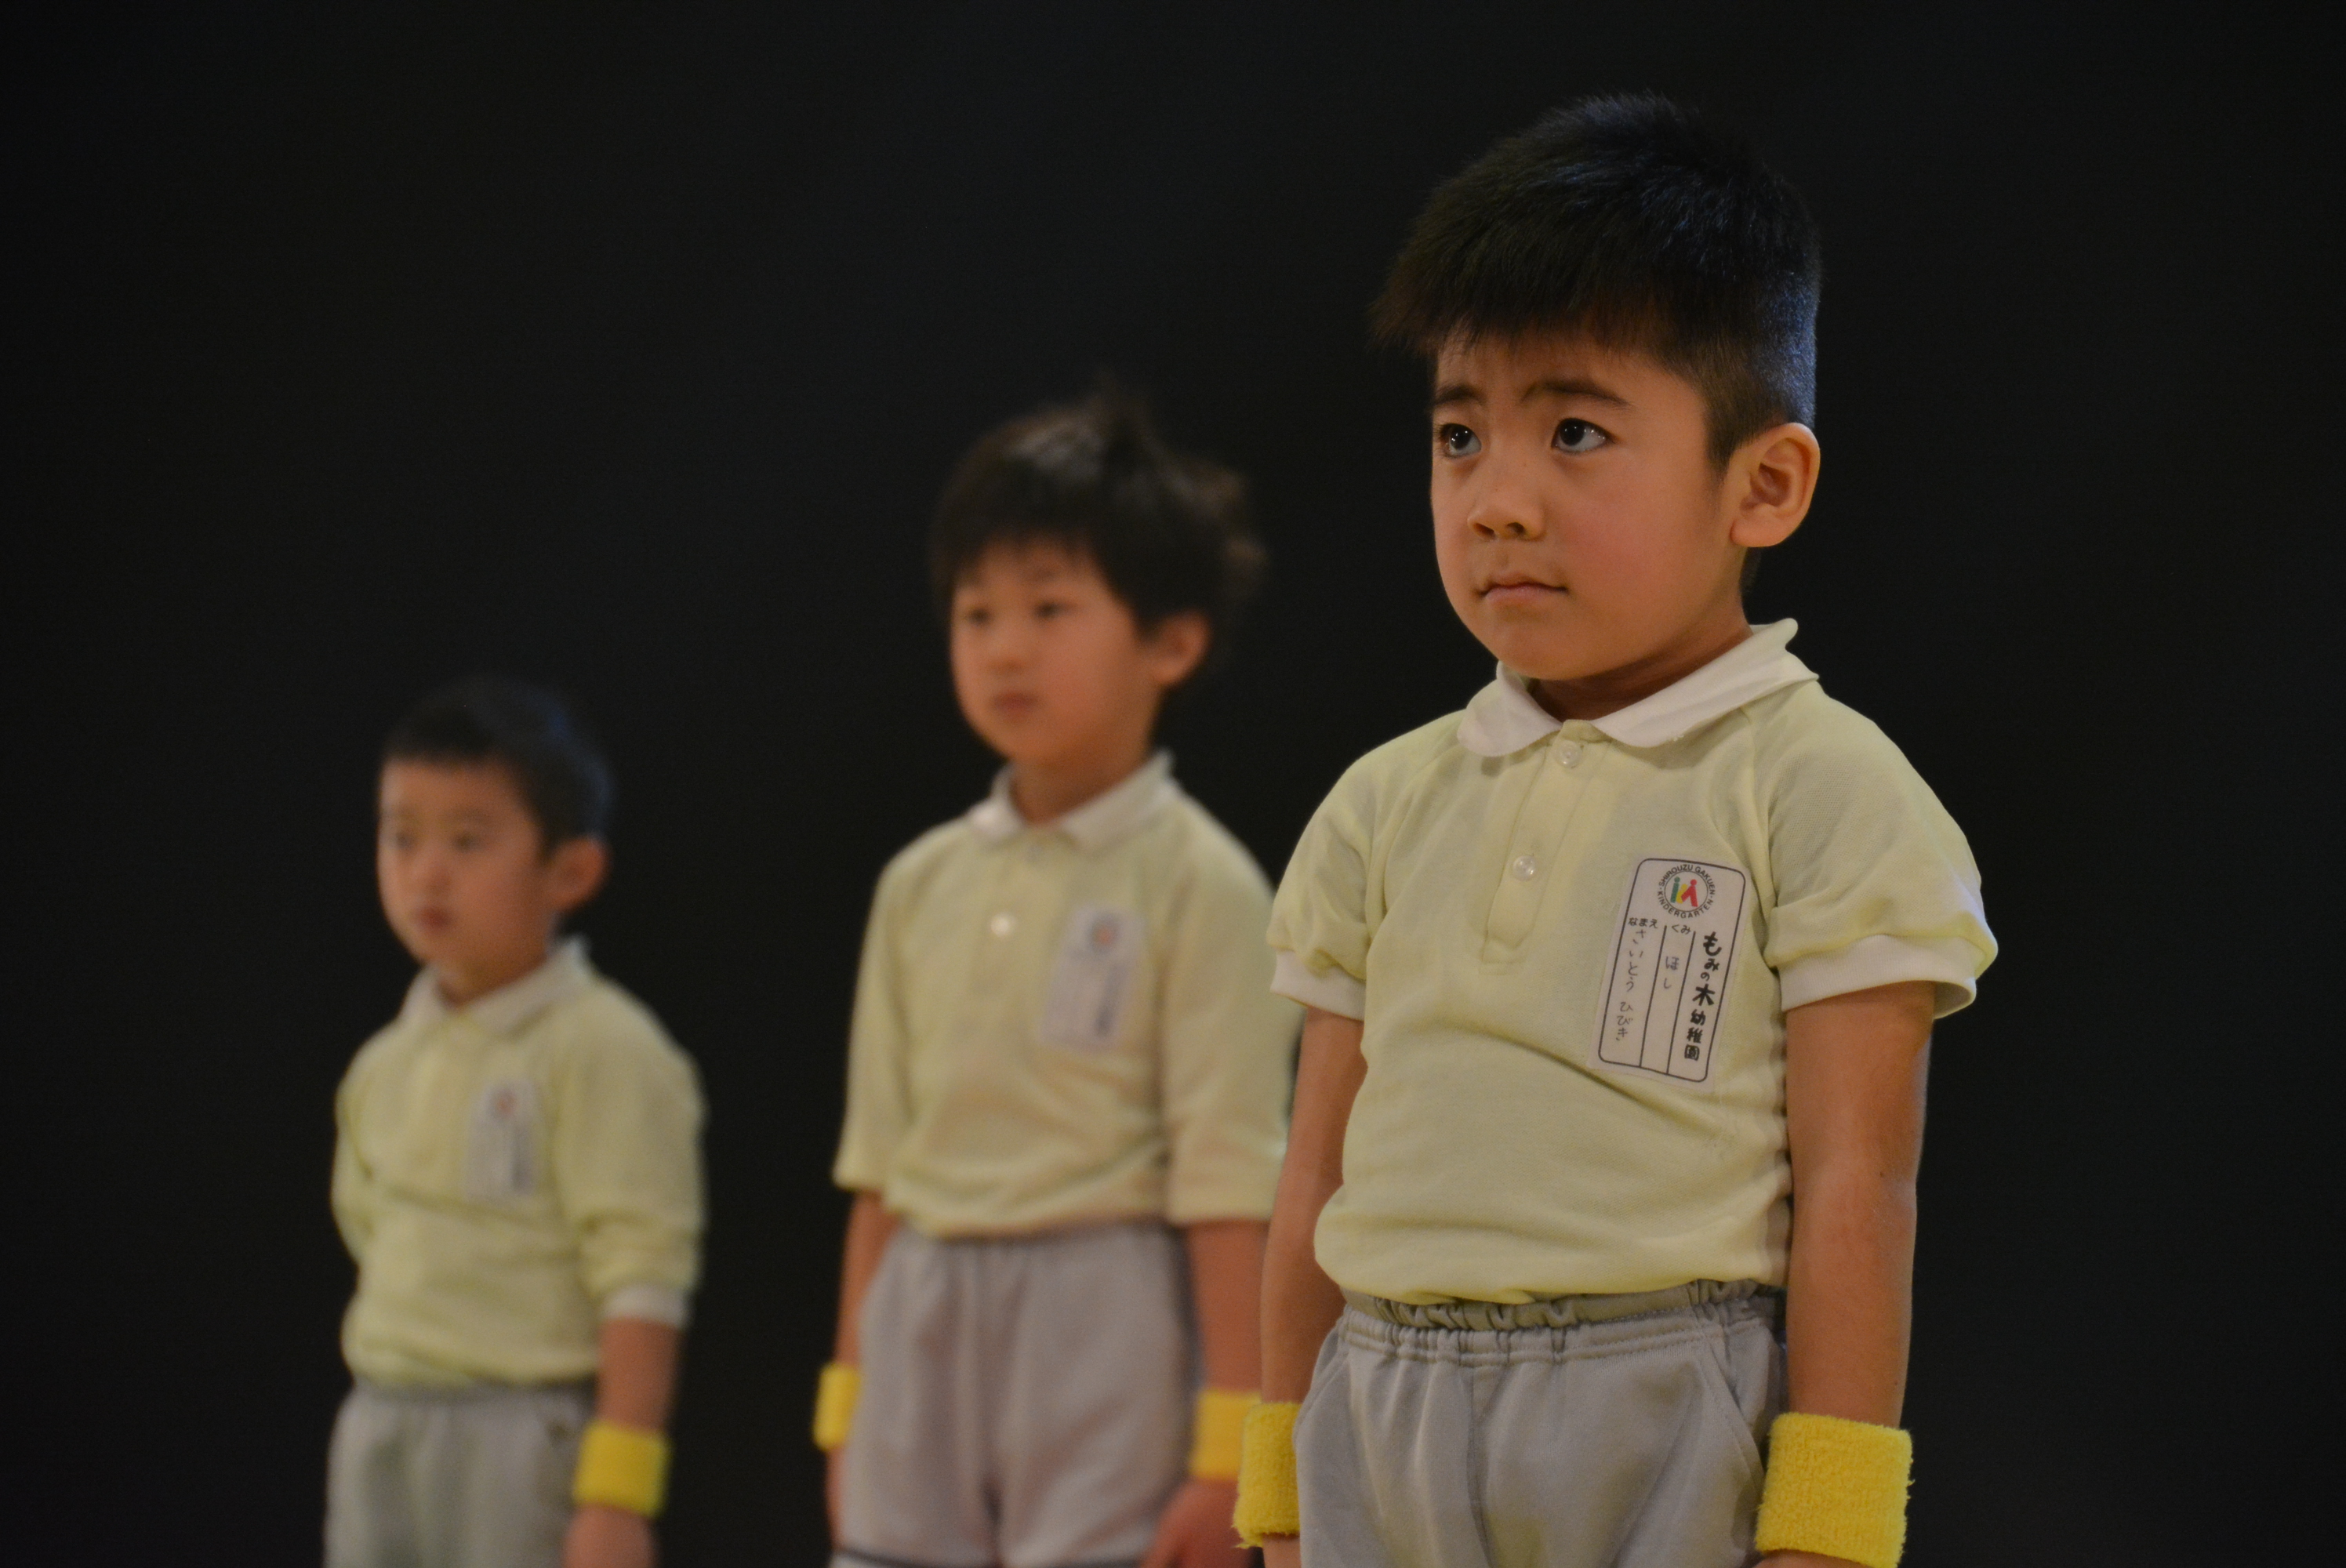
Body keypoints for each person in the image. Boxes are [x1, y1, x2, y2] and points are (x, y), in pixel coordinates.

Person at [1233, 95, 1997, 1568]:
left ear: (1762, 484)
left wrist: (1831, 1527)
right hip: (1374, 1406)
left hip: (1658, 1408)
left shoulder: (1822, 787)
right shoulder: (1381, 802)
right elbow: (1309, 1178)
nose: (1497, 503)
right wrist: (1276, 1485)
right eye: (1461, 436)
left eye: (1575, 431)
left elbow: (1860, 1188)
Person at [820, 385, 1298, 1568]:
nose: (1004, 647)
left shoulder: (1203, 883)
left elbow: (1229, 1185)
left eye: (1048, 607)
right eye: (976, 612)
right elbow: (876, 1176)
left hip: (1103, 1305)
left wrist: (1228, 1444)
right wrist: (846, 1406)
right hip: (921, 1300)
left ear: (1170, 641)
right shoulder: (919, 883)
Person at [328, 677, 703, 1568]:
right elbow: (369, 1230)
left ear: (569, 871)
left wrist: (617, 1492)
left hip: (523, 1432)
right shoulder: (383, 1063)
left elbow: (643, 1277)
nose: (427, 872)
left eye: (468, 840)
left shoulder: (604, 1046)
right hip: (382, 1414)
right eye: (402, 835)